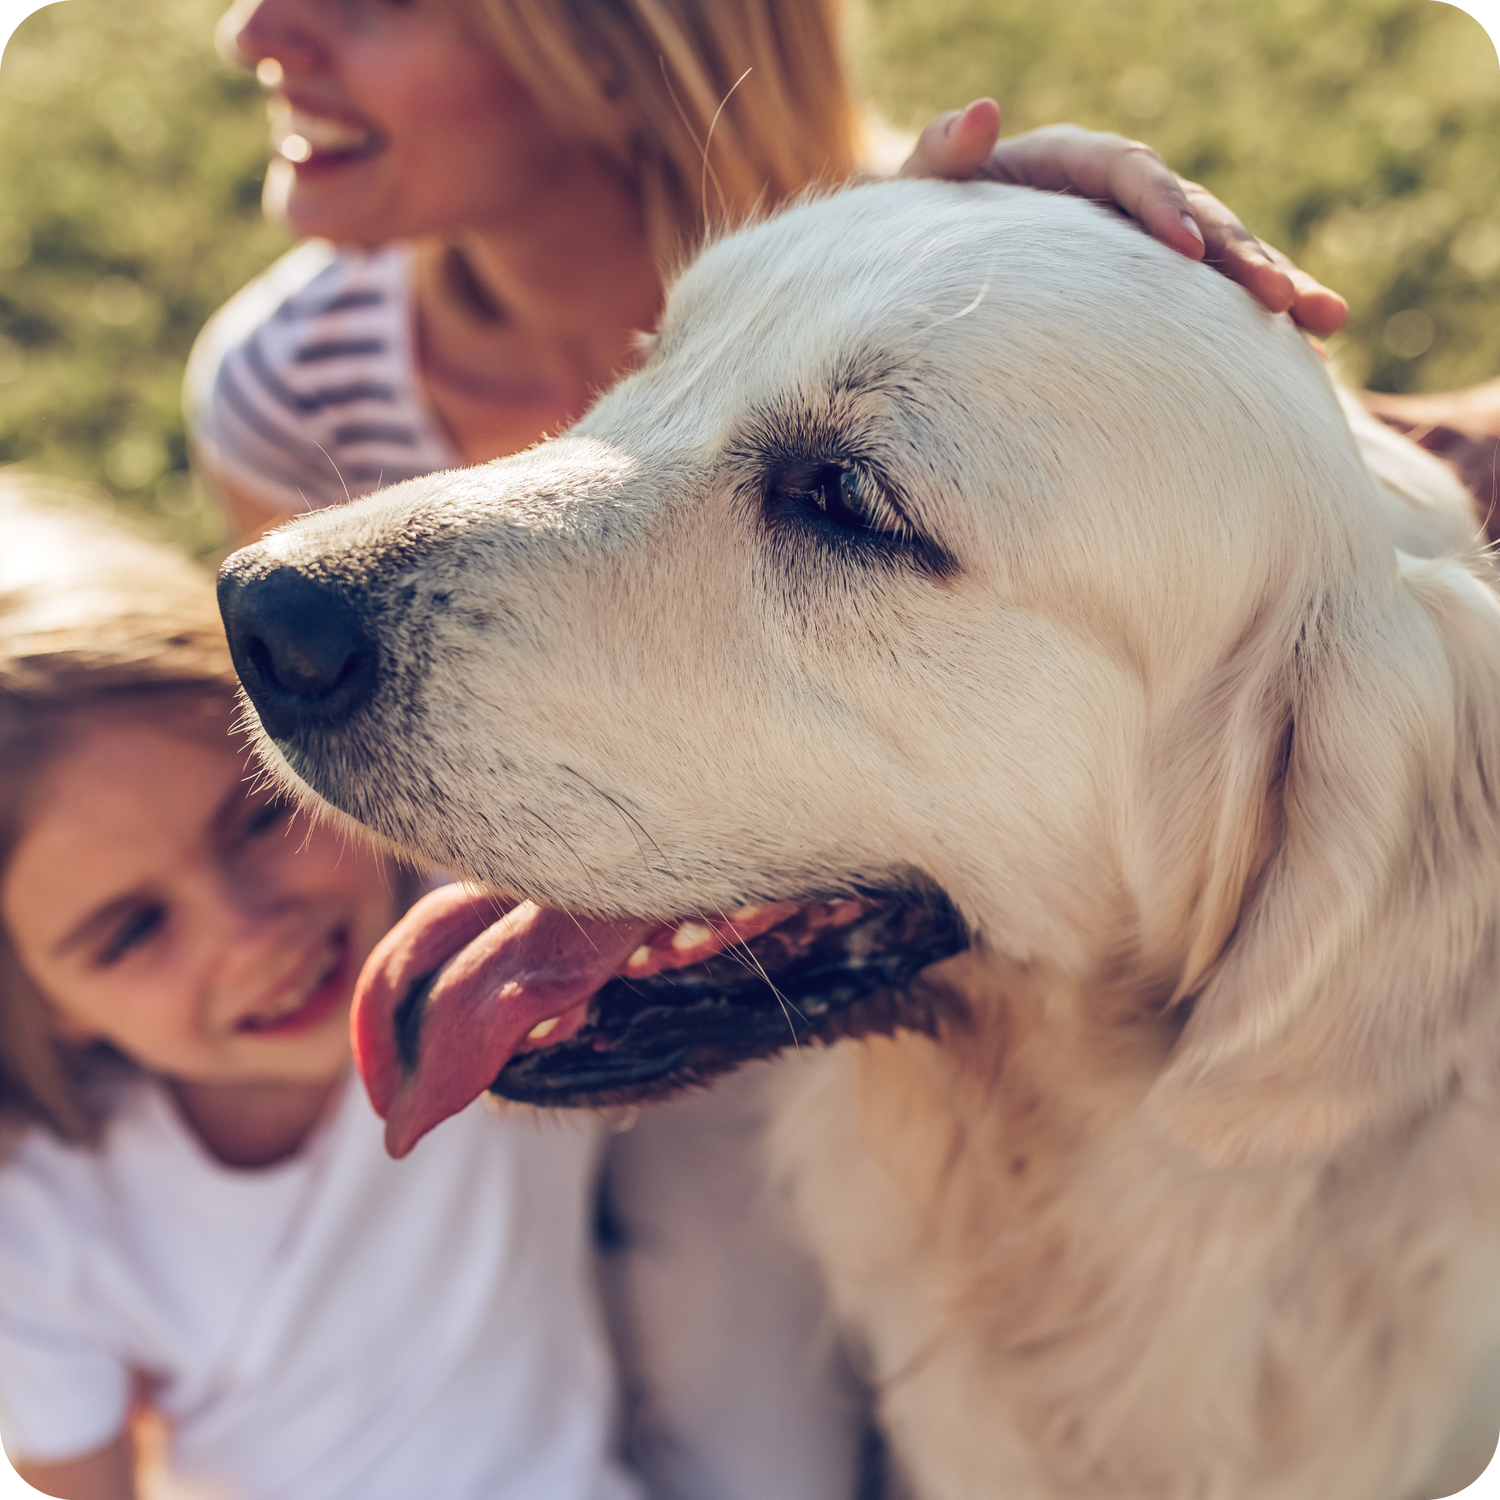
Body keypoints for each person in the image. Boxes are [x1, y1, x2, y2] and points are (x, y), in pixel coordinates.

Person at [0, 477, 642, 1500]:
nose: (248, 934)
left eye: (256, 816)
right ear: (42, 1004)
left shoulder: (492, 951)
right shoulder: (44, 1221)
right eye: (131, 931)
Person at [187, 0, 1347, 543]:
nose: (252, 32)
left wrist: (1134, 311)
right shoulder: (286, 389)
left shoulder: (979, 295)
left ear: (618, 44)